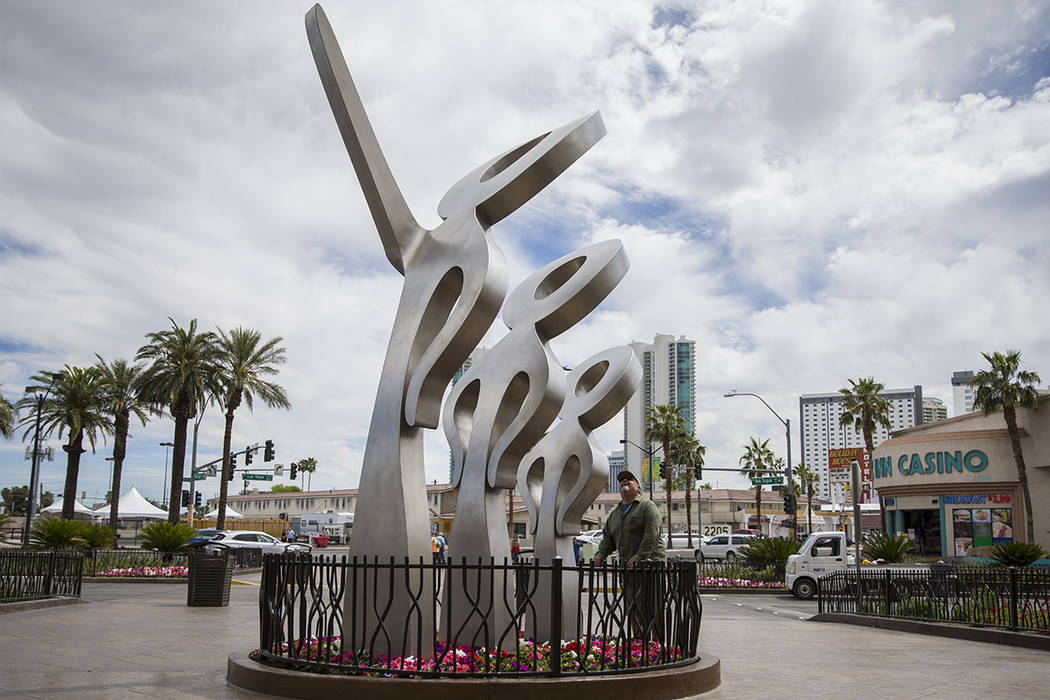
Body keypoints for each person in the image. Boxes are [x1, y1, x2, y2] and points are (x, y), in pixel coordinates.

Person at [593, 470, 666, 640]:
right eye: (622, 480)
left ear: (638, 487)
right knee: (633, 609)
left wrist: (639, 556)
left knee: (654, 610)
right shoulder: (615, 514)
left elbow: (652, 534)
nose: (624, 481)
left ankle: (657, 648)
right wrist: (600, 554)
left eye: (629, 479)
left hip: (651, 568)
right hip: (629, 571)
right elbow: (608, 539)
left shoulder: (647, 507)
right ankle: (639, 645)